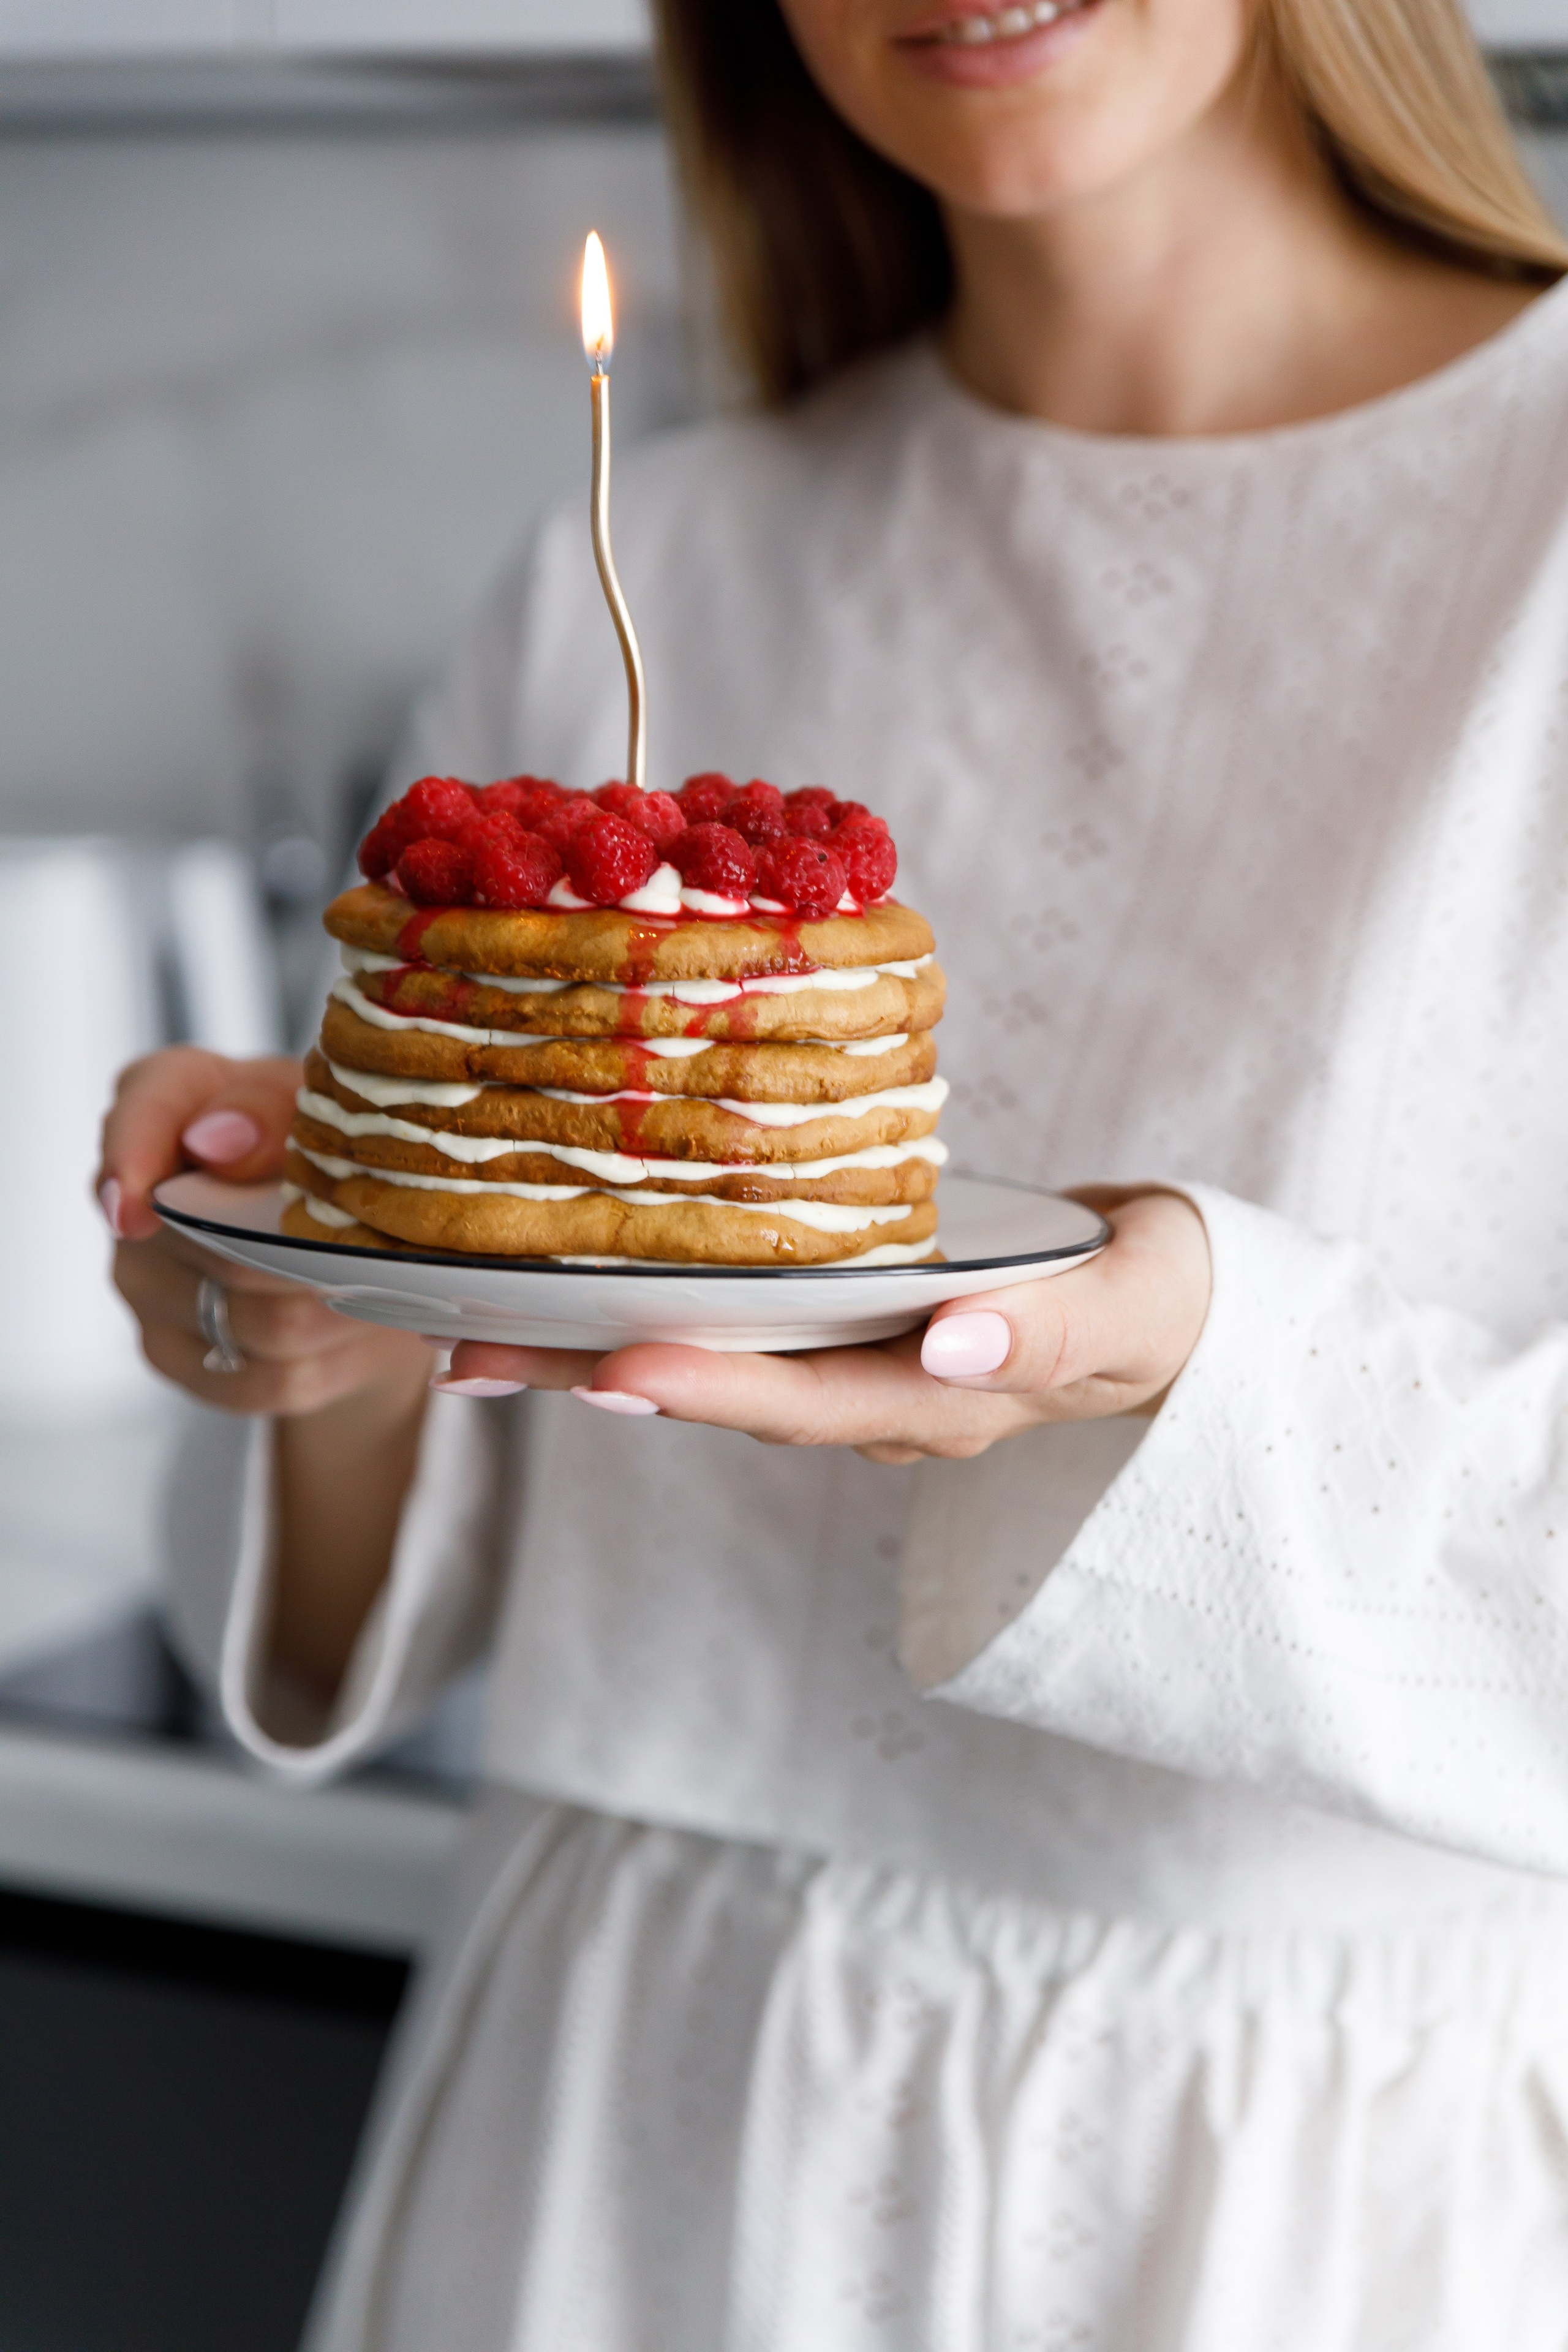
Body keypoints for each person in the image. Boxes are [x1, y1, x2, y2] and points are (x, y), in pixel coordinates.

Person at [97, 1, 1568, 2343]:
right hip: (627, 2120)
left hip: (1303, 2203)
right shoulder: (659, 553)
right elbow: (378, 1562)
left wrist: (1197, 1348)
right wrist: (297, 1313)